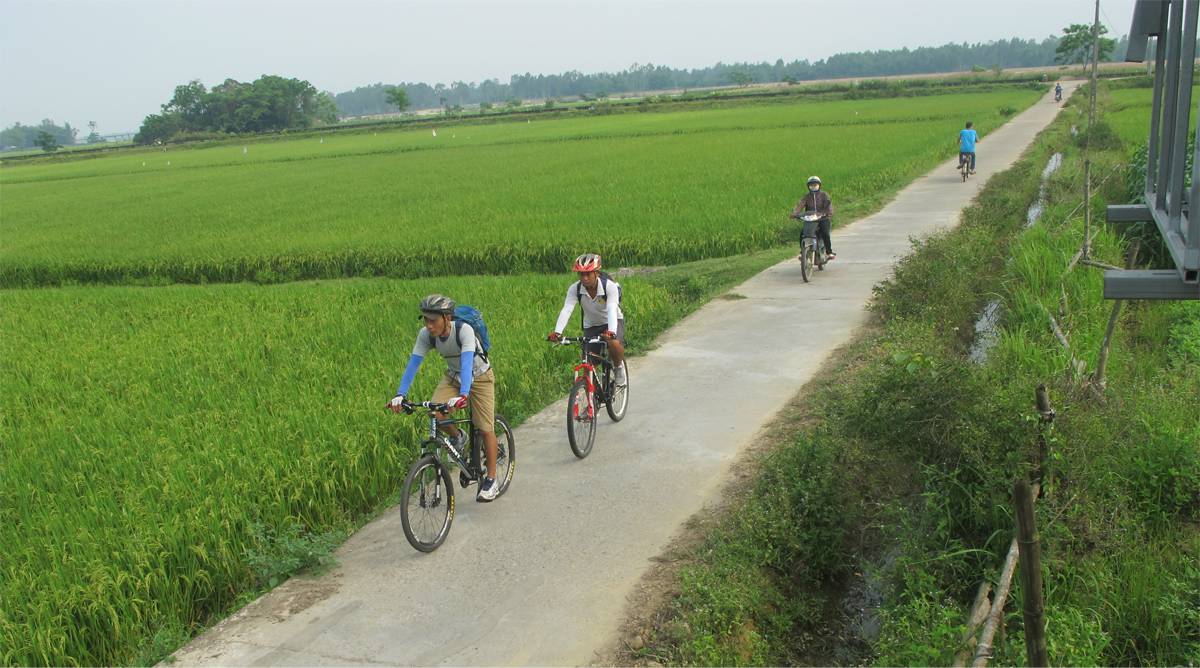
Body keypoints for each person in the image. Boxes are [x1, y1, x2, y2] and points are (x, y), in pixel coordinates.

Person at [388, 294, 501, 502]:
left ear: (447, 318)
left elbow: (467, 364)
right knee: (435, 413)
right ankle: (458, 437)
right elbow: (412, 365)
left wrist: (463, 395)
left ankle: (492, 479)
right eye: (425, 320)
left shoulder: (463, 331)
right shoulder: (426, 335)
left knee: (485, 427)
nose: (429, 326)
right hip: (453, 377)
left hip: (480, 377)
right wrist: (400, 394)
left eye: (433, 320)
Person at [546, 253, 627, 386]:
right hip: (591, 325)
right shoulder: (575, 289)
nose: (584, 278)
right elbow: (567, 309)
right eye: (581, 274)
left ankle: (618, 368)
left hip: (612, 321)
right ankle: (591, 397)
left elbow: (612, 308)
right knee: (588, 366)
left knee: (614, 343)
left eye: (588, 273)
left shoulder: (609, 286)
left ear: (596, 272)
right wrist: (557, 332)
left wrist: (611, 331)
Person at [791, 175, 835, 261]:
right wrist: (795, 213)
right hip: (810, 219)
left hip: (823, 218)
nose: (813, 187)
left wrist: (828, 213)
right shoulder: (806, 196)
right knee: (802, 234)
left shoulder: (824, 195)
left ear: (819, 185)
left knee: (825, 233)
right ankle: (802, 252)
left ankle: (829, 252)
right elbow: (800, 205)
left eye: (815, 185)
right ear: (808, 186)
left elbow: (829, 205)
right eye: (811, 185)